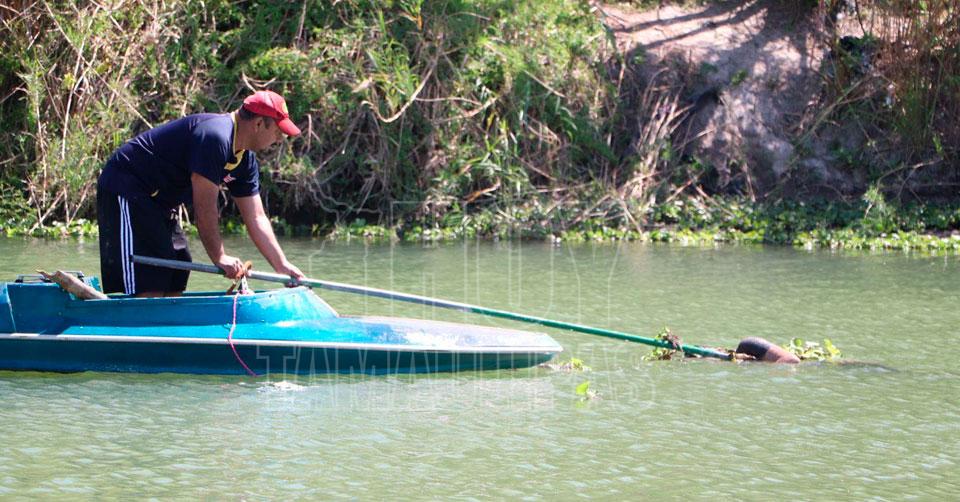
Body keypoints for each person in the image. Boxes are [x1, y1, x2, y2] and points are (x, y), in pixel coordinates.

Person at [96, 90, 305, 297]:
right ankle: (134, 322)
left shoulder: (245, 160)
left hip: (160, 202)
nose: (279, 139)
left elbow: (256, 217)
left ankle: (170, 326)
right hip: (127, 186)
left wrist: (281, 265)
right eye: (278, 132)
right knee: (150, 276)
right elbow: (205, 207)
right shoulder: (214, 137)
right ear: (258, 123)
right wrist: (220, 256)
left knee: (177, 268)